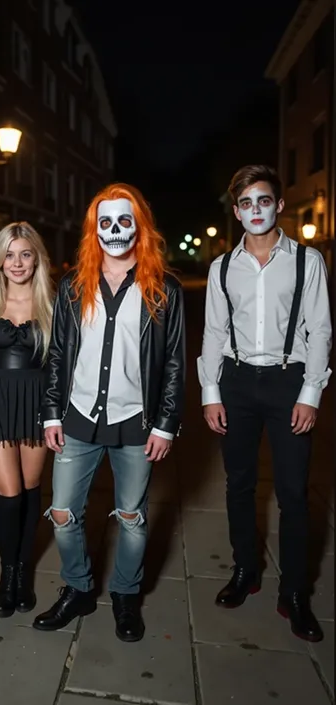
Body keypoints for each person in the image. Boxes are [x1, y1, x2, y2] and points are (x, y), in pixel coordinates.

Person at [33, 183, 186, 642]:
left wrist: (166, 423)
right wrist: (51, 413)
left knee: (133, 517)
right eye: (105, 222)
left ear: (139, 227)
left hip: (137, 423)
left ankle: (125, 594)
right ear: (93, 230)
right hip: (78, 416)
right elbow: (58, 352)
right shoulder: (74, 285)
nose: (114, 230)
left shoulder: (164, 289)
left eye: (124, 221)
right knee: (62, 511)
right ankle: (78, 588)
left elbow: (176, 360)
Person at [198, 165, 332, 642]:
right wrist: (210, 392)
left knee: (294, 493)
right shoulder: (221, 267)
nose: (256, 210)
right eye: (247, 203)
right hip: (236, 382)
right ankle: (245, 570)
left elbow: (319, 331)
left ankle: (294, 593)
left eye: (264, 200)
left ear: (277, 205)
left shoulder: (307, 262)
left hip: (287, 382)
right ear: (236, 212)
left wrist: (310, 393)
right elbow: (213, 332)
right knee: (239, 484)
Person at [0, 222, 53, 618]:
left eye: (24, 253)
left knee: (32, 491)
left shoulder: (55, 304)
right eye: (9, 254)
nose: (17, 262)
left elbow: (64, 367)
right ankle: (8, 577)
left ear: (36, 257)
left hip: (39, 404)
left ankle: (23, 572)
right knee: (9, 495)